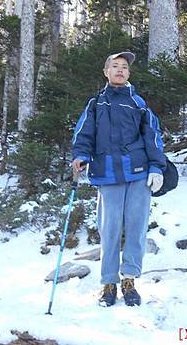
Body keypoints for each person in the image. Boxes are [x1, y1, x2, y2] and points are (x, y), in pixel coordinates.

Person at [71, 51, 166, 307]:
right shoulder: (95, 104)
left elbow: (153, 136)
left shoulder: (138, 103)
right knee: (110, 230)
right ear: (106, 72)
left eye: (124, 67)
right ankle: (109, 283)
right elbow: (83, 135)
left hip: (138, 174)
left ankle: (130, 280)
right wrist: (80, 156)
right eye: (115, 66)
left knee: (136, 228)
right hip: (107, 175)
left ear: (129, 73)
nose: (120, 70)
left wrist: (157, 167)